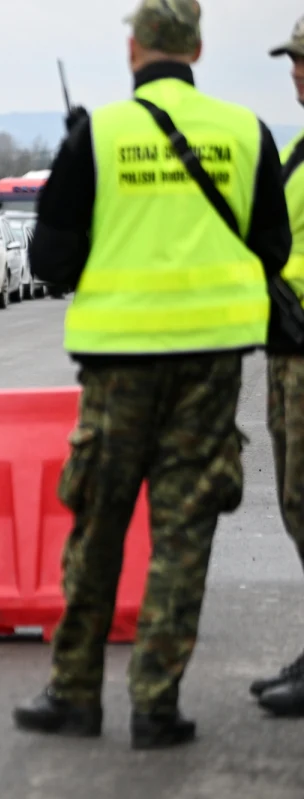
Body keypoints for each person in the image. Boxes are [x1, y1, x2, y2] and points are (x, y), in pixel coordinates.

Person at [12, 0, 291, 750]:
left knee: (99, 526)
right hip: (212, 365)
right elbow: (271, 249)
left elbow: (52, 263)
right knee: (184, 531)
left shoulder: (99, 136)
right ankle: (156, 705)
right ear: (196, 49)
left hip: (119, 366)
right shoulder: (246, 133)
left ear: (135, 49)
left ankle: (74, 693)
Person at [253, 15, 304, 719]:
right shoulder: (294, 150)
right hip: (288, 353)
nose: (296, 70)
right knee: (297, 507)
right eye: (294, 59)